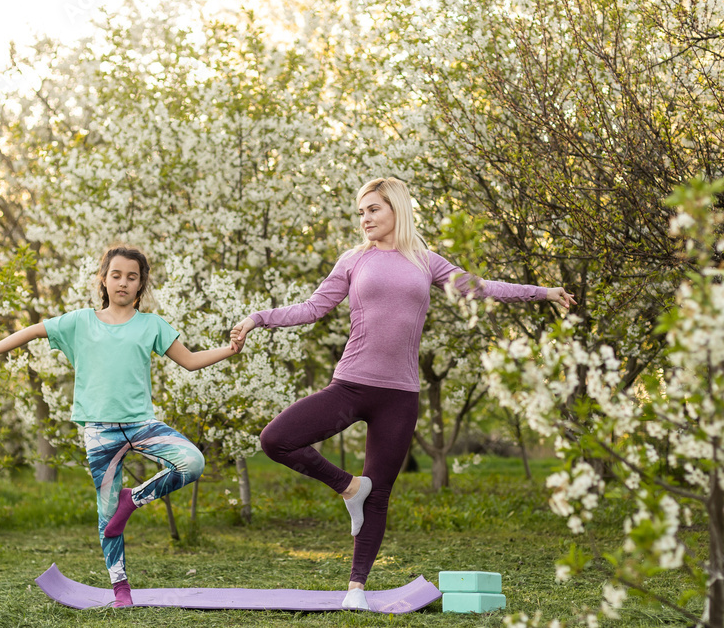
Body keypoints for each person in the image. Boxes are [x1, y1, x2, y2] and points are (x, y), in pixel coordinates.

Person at [230, 177, 575, 611]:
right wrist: (258, 318)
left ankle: (356, 588)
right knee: (275, 439)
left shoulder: (426, 261)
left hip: (400, 396)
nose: (364, 219)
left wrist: (542, 292)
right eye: (360, 212)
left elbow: (480, 287)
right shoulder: (354, 261)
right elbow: (313, 308)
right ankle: (346, 486)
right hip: (352, 383)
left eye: (372, 209)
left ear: (396, 209)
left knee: (381, 494)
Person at [0, 245, 244, 608]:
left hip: (141, 424)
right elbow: (31, 331)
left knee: (192, 462)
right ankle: (120, 588)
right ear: (104, 280)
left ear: (141, 285)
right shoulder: (80, 321)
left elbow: (189, 361)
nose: (123, 282)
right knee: (106, 513)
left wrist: (229, 350)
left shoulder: (151, 325)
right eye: (116, 275)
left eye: (132, 277)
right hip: (100, 431)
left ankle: (133, 500)